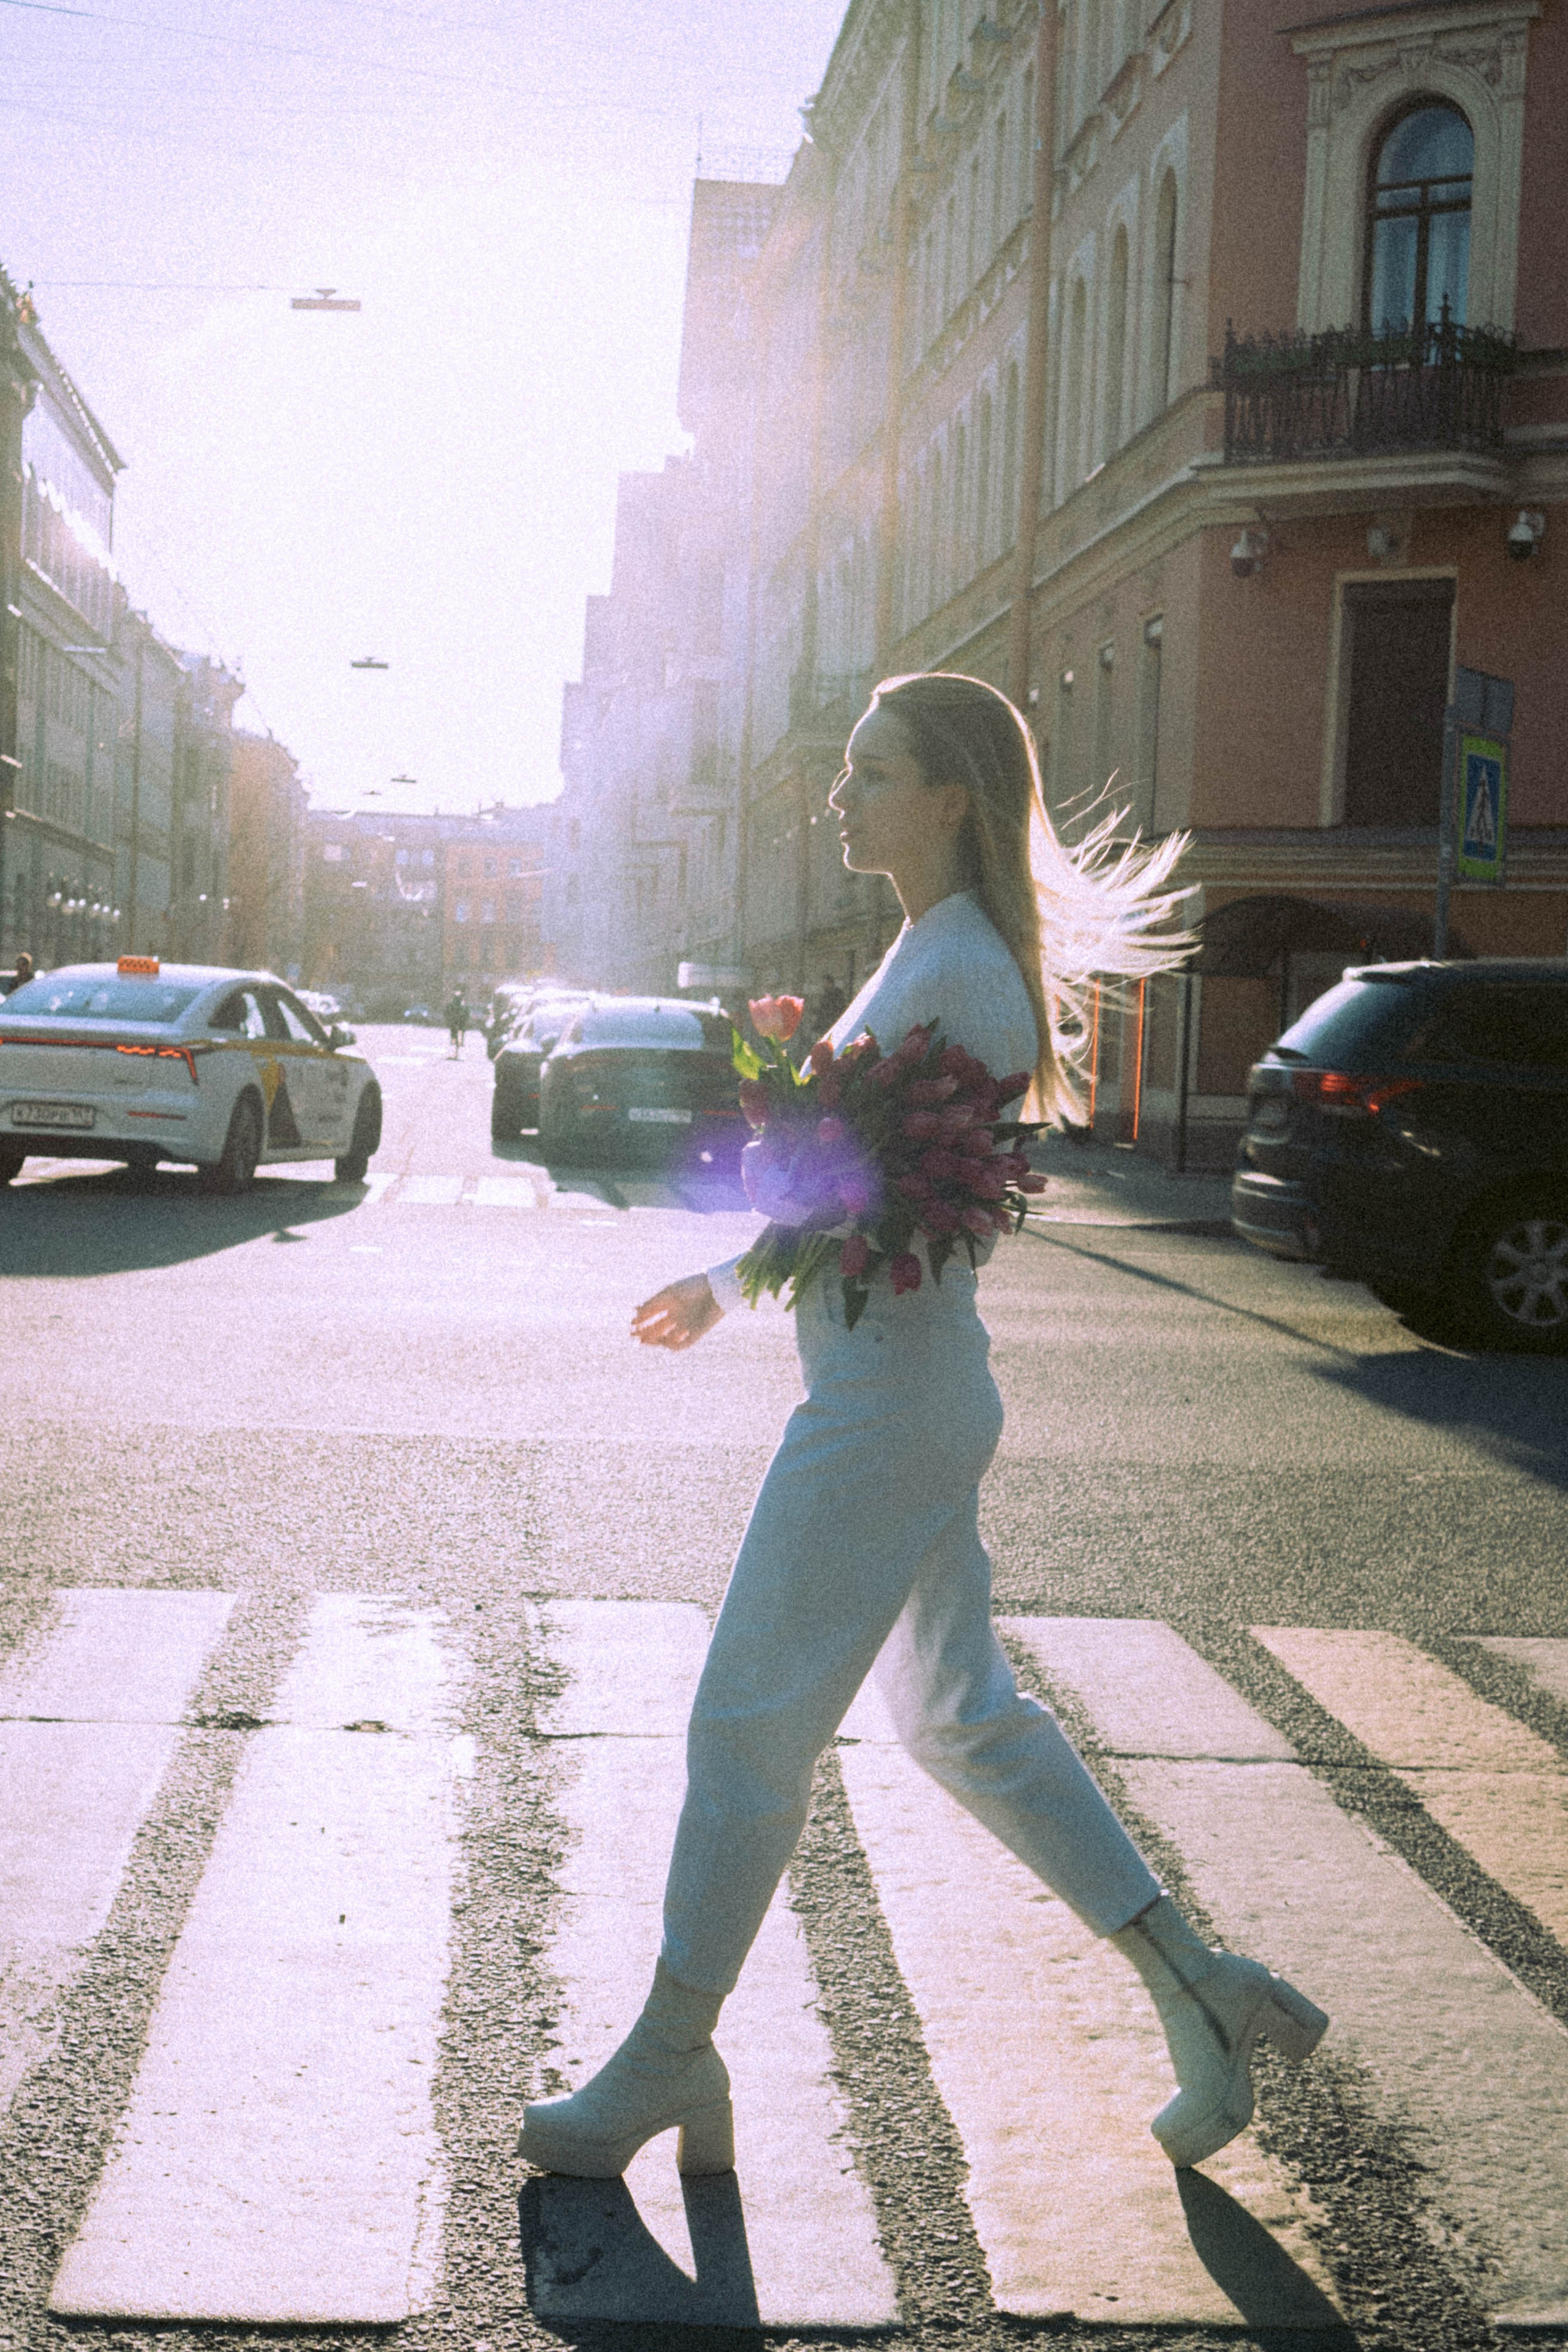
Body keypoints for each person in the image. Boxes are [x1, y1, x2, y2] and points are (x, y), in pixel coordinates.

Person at [518, 673, 1327, 2184]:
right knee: (962, 1718)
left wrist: (745, 1228)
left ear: (948, 794)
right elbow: (860, 1188)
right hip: (896, 1392)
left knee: (745, 1718)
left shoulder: (958, 970)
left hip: (886, 1411)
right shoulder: (927, 948)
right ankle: (1201, 1990)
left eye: (869, 771)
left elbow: (873, 1195)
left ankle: (669, 2052)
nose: (840, 797)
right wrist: (724, 1268)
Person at [443, 986, 469, 1057]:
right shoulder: (459, 1004)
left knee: (456, 1037)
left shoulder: (460, 1005)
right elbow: (447, 1012)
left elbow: (447, 1012)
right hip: (458, 1023)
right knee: (457, 1037)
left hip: (457, 1023)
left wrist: (448, 1020)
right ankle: (456, 1052)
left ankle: (456, 1052)